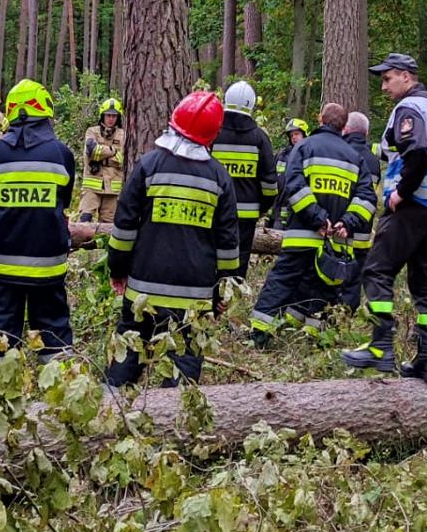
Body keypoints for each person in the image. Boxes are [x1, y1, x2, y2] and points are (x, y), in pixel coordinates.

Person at [104, 92, 243, 388]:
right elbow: (229, 246)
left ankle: (108, 413)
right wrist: (222, 292)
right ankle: (174, 424)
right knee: (185, 362)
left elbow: (124, 229)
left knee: (127, 356)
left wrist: (117, 270)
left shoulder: (148, 166)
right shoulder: (219, 178)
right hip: (195, 300)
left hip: (142, 292)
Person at [342, 53, 427, 382]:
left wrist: (402, 192)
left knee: (377, 270)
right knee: (425, 284)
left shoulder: (409, 109)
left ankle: (381, 347)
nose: (383, 86)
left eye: (387, 78)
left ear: (406, 77)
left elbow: (417, 151)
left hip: (411, 206)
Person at [248, 103, 375, 344]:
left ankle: (258, 335)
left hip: (302, 234)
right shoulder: (354, 157)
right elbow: (367, 199)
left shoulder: (305, 147)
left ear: (320, 119)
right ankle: (312, 341)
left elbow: (293, 186)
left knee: (282, 281)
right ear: (343, 126)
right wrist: (346, 223)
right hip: (334, 242)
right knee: (321, 289)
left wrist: (317, 218)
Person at [0, 80, 79, 360]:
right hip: (46, 264)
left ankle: (1, 388)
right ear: (46, 112)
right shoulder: (61, 153)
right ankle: (59, 386)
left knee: (1, 331)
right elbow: (65, 200)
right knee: (53, 328)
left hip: (1, 261)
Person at [210, 81, 279, 279]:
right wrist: (261, 208)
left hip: (214, 209)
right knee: (239, 261)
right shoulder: (260, 138)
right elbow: (270, 185)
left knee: (212, 255)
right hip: (246, 216)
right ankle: (233, 299)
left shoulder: (214, 133)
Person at [334, 111, 379, 313]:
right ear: (366, 133)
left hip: (340, 227)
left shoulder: (342, 151)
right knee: (354, 278)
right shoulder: (373, 159)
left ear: (346, 129)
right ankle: (348, 316)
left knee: (334, 274)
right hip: (363, 230)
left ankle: (331, 313)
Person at [78, 98, 127, 223]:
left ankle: (101, 243)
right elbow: (92, 151)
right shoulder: (92, 131)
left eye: (114, 116)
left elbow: (122, 159)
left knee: (108, 225)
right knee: (85, 219)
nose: (111, 119)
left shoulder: (123, 135)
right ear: (102, 116)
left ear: (118, 117)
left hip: (113, 188)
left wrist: (102, 155)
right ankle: (81, 243)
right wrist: (113, 151)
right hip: (92, 186)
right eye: (108, 115)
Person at [266, 118, 310, 229]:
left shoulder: (308, 156)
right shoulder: (282, 154)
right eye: (291, 135)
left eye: (297, 134)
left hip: (293, 211)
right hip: (275, 210)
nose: (294, 137)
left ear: (305, 135)